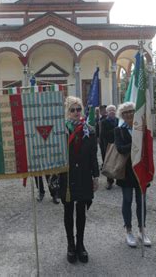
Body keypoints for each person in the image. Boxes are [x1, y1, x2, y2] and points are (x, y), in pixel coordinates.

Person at [59, 96, 99, 263]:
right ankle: (70, 245)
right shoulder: (61, 131)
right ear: (67, 112)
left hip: (83, 175)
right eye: (72, 109)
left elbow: (93, 156)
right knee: (68, 211)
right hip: (67, 176)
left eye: (78, 109)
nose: (76, 112)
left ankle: (81, 245)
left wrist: (95, 176)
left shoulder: (90, 130)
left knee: (81, 211)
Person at [114, 102, 151, 248]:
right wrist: (136, 143)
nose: (129, 114)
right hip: (127, 172)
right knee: (128, 200)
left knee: (141, 201)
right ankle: (128, 230)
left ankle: (142, 230)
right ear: (122, 116)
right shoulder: (119, 130)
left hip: (141, 170)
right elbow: (121, 149)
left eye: (131, 111)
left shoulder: (142, 129)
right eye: (126, 113)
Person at [100, 105, 119, 189]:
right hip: (108, 145)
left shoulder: (119, 121)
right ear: (107, 112)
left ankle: (119, 180)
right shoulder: (104, 122)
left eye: (113, 110)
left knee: (118, 162)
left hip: (118, 144)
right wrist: (115, 130)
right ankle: (109, 181)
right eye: (110, 110)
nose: (112, 112)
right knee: (108, 164)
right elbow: (103, 134)